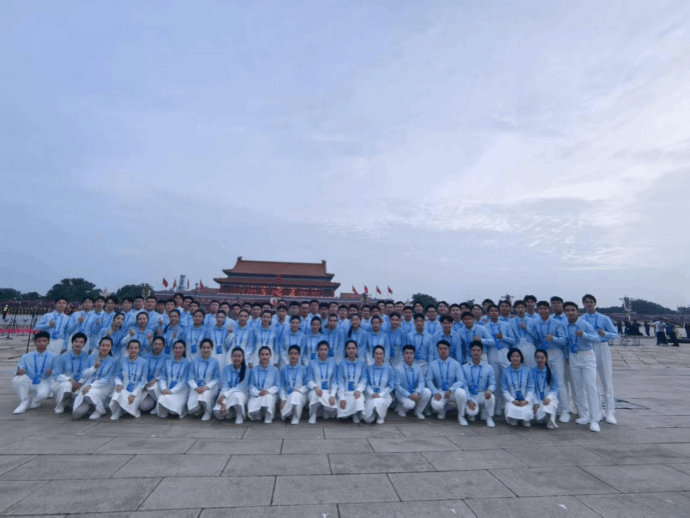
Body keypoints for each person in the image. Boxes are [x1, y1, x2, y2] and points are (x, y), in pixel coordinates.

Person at [562, 301, 601, 432]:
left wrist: (584, 335)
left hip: (586, 355)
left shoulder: (584, 324)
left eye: (573, 310)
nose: (570, 312)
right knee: (578, 387)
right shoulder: (565, 325)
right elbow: (566, 342)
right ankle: (584, 414)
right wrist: (567, 357)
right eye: (567, 310)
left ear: (577, 311)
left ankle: (594, 419)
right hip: (573, 356)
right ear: (565, 312)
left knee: (590, 386)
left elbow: (597, 338)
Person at [582, 294, 619, 424]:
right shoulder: (581, 319)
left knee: (606, 381)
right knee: (592, 382)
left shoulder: (604, 318)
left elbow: (616, 335)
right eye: (586, 302)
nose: (589, 304)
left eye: (591, 302)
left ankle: (610, 412)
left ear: (595, 303)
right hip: (588, 348)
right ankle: (597, 411)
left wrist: (605, 333)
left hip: (602, 347)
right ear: (583, 304)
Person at [534, 301, 570, 423]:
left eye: (545, 308)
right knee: (546, 382)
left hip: (556, 353)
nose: (543, 311)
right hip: (544, 353)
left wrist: (553, 338)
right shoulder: (537, 323)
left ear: (549, 309)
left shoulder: (556, 323)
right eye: (540, 308)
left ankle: (565, 410)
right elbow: (536, 338)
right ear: (538, 310)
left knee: (559, 381)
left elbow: (564, 340)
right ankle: (551, 406)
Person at [72, 336, 118, 420]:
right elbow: (83, 374)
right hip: (88, 383)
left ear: (111, 347)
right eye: (103, 345)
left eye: (107, 346)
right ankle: (90, 406)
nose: (105, 348)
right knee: (76, 413)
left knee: (89, 393)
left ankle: (100, 410)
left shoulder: (113, 361)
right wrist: (94, 368)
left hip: (104, 386)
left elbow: (106, 379)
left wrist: (91, 386)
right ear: (99, 346)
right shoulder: (91, 357)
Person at [12, 331, 58, 414]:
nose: (41, 343)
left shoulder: (54, 356)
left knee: (43, 394)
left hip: (44, 381)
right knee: (17, 379)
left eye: (44, 341)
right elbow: (18, 369)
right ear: (35, 342)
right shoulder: (26, 356)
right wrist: (19, 372)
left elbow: (58, 371)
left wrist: (52, 371)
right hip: (30, 380)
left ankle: (36, 400)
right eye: (38, 341)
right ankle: (24, 401)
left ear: (48, 342)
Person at [426, 340, 468, 424]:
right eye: (441, 349)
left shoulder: (455, 364)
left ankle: (461, 416)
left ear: (449, 350)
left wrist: (451, 389)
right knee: (436, 405)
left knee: (462, 393)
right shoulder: (433, 364)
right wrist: (435, 392)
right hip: (441, 391)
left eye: (445, 349)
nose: (443, 351)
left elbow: (461, 380)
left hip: (453, 391)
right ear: (437, 350)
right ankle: (442, 411)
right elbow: (429, 380)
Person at [52, 332, 90, 414]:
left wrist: (80, 382)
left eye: (81, 342)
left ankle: (71, 403)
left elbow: (86, 373)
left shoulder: (86, 356)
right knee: (67, 385)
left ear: (84, 344)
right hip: (63, 382)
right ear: (72, 342)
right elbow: (56, 374)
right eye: (76, 341)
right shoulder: (63, 356)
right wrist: (70, 379)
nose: (78, 344)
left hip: (79, 383)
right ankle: (60, 405)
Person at [462, 341, 496, 428]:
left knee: (491, 397)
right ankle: (474, 411)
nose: (476, 352)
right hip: (471, 394)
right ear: (470, 351)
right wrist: (468, 399)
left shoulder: (488, 367)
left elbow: (492, 383)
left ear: (482, 352)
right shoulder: (464, 367)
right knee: (471, 413)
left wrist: (489, 390)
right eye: (474, 350)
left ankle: (489, 417)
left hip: (483, 393)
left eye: (478, 350)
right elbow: (464, 385)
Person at [394, 344, 432, 419]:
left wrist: (417, 392)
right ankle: (401, 408)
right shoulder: (398, 368)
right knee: (409, 405)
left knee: (427, 392)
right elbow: (397, 386)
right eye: (406, 353)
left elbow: (421, 382)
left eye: (411, 353)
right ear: (403, 355)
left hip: (414, 391)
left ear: (414, 355)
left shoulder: (417, 368)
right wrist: (408, 395)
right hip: (402, 393)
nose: (409, 355)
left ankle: (418, 411)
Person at [156, 340, 192, 419]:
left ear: (184, 349)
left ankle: (182, 410)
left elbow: (184, 381)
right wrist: (164, 388)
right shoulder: (167, 362)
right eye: (176, 348)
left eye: (180, 348)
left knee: (173, 412)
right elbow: (163, 377)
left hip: (181, 391)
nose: (178, 350)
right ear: (173, 349)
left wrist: (172, 391)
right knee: (162, 399)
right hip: (168, 389)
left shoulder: (188, 363)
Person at [187, 339, 221, 421]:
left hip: (210, 388)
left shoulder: (215, 361)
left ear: (211, 349)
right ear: (200, 348)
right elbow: (190, 378)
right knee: (192, 409)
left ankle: (208, 411)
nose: (206, 350)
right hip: (197, 388)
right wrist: (196, 387)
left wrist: (207, 387)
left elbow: (216, 378)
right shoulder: (194, 361)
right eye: (204, 347)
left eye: (208, 348)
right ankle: (200, 408)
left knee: (204, 395)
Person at [214, 347, 250, 424]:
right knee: (217, 413)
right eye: (234, 356)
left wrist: (225, 395)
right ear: (231, 357)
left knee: (237, 396)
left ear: (243, 357)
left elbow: (241, 387)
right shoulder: (226, 369)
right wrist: (222, 401)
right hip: (227, 393)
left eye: (239, 356)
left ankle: (239, 415)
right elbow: (225, 386)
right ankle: (230, 412)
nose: (237, 358)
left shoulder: (247, 370)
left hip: (241, 394)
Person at [307, 341, 339, 424]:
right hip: (316, 391)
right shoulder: (312, 363)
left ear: (328, 351)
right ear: (318, 351)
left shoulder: (333, 363)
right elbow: (309, 380)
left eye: (325, 349)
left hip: (328, 391)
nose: (323, 352)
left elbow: (335, 381)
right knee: (315, 395)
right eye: (321, 350)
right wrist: (315, 387)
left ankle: (324, 409)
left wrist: (332, 395)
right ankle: (313, 414)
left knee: (333, 409)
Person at [501, 348, 535, 427]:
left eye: (517, 356)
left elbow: (531, 388)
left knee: (527, 420)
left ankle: (525, 419)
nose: (515, 358)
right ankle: (514, 418)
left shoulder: (527, 371)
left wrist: (526, 400)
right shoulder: (505, 372)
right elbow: (504, 390)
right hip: (512, 401)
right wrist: (512, 400)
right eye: (513, 356)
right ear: (509, 358)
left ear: (521, 358)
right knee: (513, 418)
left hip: (524, 400)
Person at [337, 340, 368, 422]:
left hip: (356, 392)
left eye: (353, 348)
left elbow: (364, 379)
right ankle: (351, 412)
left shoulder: (361, 363)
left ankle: (355, 414)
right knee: (343, 417)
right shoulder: (342, 363)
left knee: (358, 398)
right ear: (346, 350)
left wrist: (358, 390)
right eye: (349, 348)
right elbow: (340, 382)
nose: (351, 350)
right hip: (346, 392)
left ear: (357, 350)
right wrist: (342, 397)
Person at [247, 346, 280, 423]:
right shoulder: (254, 370)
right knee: (253, 412)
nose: (264, 357)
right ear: (259, 356)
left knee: (267, 398)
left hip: (270, 394)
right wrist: (258, 393)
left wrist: (268, 391)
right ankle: (259, 412)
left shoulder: (275, 370)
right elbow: (251, 385)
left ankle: (268, 415)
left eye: (267, 354)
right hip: (257, 394)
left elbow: (278, 386)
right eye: (262, 354)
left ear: (270, 356)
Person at [363, 345, 396, 424]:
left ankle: (381, 416)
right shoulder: (368, 368)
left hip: (384, 395)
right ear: (373, 355)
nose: (378, 356)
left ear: (384, 355)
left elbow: (391, 385)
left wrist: (381, 394)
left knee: (379, 401)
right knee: (368, 420)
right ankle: (374, 412)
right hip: (371, 395)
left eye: (381, 354)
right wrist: (372, 393)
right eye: (376, 354)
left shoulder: (389, 369)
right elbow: (366, 383)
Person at [279, 345, 309, 424]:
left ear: (299, 355)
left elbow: (307, 385)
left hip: (300, 395)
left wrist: (299, 390)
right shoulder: (284, 369)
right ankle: (290, 412)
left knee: (295, 394)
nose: (293, 355)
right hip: (288, 396)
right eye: (291, 353)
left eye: (296, 354)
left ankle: (296, 417)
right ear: (288, 355)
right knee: (285, 414)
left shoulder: (303, 369)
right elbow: (281, 387)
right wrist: (283, 399)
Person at [139, 336, 169, 415]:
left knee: (153, 387)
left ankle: (159, 405)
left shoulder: (167, 357)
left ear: (163, 346)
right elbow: (142, 371)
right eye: (155, 344)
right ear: (152, 345)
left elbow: (166, 373)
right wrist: (145, 383)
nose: (157, 346)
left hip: (158, 382)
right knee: (143, 406)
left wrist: (156, 379)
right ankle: (154, 403)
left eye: (159, 344)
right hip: (147, 383)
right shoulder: (146, 356)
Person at [531, 349, 559, 429]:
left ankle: (550, 419)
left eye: (542, 358)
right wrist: (535, 403)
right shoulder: (532, 371)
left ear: (546, 358)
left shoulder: (551, 371)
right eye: (537, 358)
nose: (540, 360)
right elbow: (531, 389)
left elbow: (555, 388)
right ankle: (545, 415)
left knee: (549, 405)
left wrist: (549, 398)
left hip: (548, 399)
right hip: (537, 399)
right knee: (539, 419)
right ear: (535, 359)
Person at [509, 301, 539, 368]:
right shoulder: (510, 322)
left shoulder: (533, 321)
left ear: (525, 308)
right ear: (515, 309)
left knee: (531, 367)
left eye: (522, 307)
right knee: (518, 367)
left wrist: (527, 328)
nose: (520, 309)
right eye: (518, 307)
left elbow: (536, 337)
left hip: (529, 346)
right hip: (517, 346)